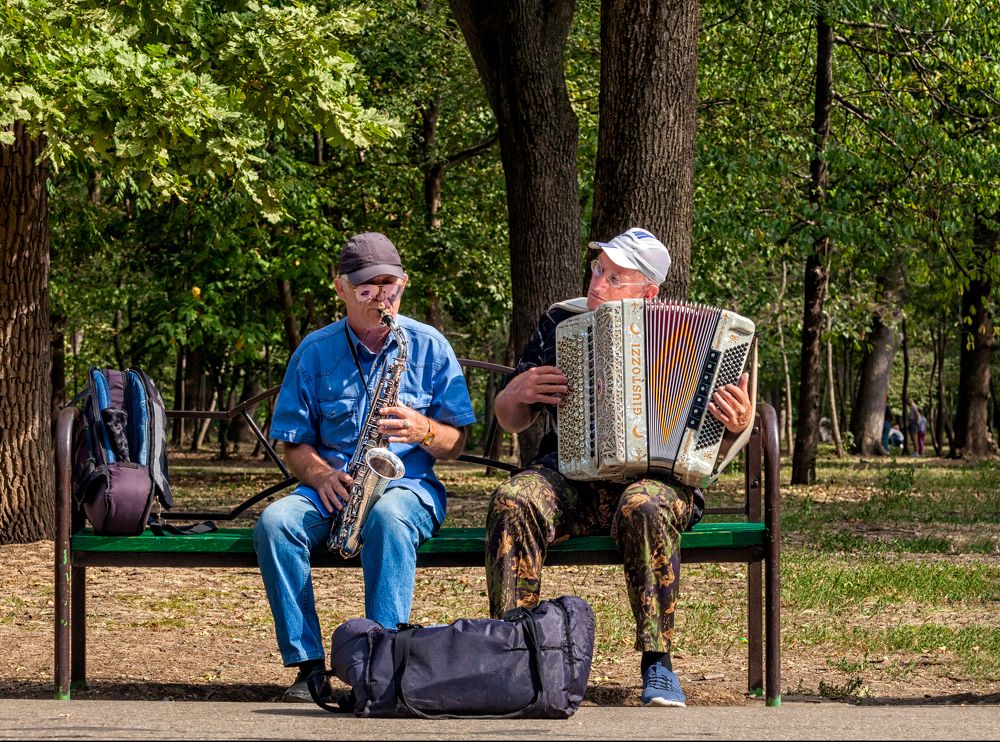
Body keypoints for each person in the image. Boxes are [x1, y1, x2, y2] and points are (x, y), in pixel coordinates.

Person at [484, 228, 754, 708]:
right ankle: (513, 656)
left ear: (648, 292)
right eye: (597, 270)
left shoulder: (706, 337)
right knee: (514, 498)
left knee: (643, 504)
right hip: (571, 477)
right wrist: (515, 394)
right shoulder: (560, 322)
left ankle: (658, 662)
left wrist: (738, 423)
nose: (598, 284)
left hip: (660, 481)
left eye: (615, 277)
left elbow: (726, 435)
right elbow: (510, 419)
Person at [253, 232, 477, 702]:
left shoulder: (429, 346)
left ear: (404, 284)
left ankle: (382, 661)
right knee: (275, 523)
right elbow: (293, 445)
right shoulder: (314, 352)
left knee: (389, 517)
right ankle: (308, 667)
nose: (380, 298)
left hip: (408, 488)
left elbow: (457, 442)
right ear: (341, 288)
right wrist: (319, 475)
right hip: (332, 487)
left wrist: (424, 431)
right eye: (366, 289)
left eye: (389, 286)